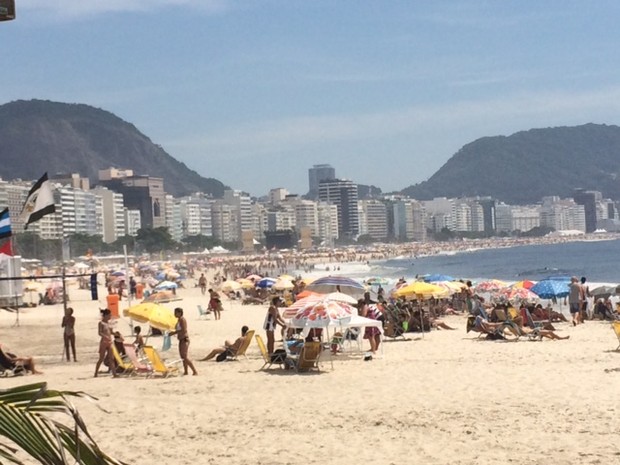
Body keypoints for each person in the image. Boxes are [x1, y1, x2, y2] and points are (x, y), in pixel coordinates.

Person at [170, 307, 198, 375]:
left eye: (176, 312)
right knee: (182, 357)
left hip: (184, 339)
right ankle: (186, 371)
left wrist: (174, 333)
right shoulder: (179, 320)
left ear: (179, 313)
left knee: (185, 357)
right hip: (181, 339)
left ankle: (194, 371)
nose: (174, 314)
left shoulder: (182, 320)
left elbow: (184, 330)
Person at [94, 309, 117, 378]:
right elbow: (99, 332)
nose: (110, 316)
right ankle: (96, 373)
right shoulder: (101, 323)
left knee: (111, 359)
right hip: (104, 342)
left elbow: (111, 332)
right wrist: (105, 336)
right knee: (101, 358)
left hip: (109, 342)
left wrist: (116, 334)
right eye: (109, 315)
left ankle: (114, 374)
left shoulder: (109, 323)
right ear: (106, 315)